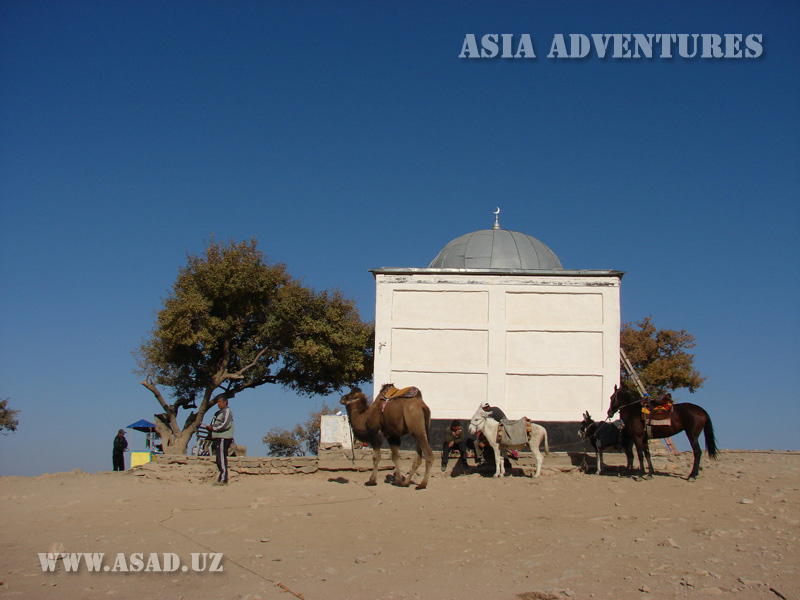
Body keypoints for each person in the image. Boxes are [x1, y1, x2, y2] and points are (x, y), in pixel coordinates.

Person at [204, 397, 234, 485]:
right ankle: (221, 477)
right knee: (218, 458)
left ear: (225, 402)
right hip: (217, 438)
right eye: (217, 402)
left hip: (223, 438)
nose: (218, 403)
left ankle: (223, 479)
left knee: (221, 457)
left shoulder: (227, 411)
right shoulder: (218, 413)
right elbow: (213, 423)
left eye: (220, 401)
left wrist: (213, 428)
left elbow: (226, 424)